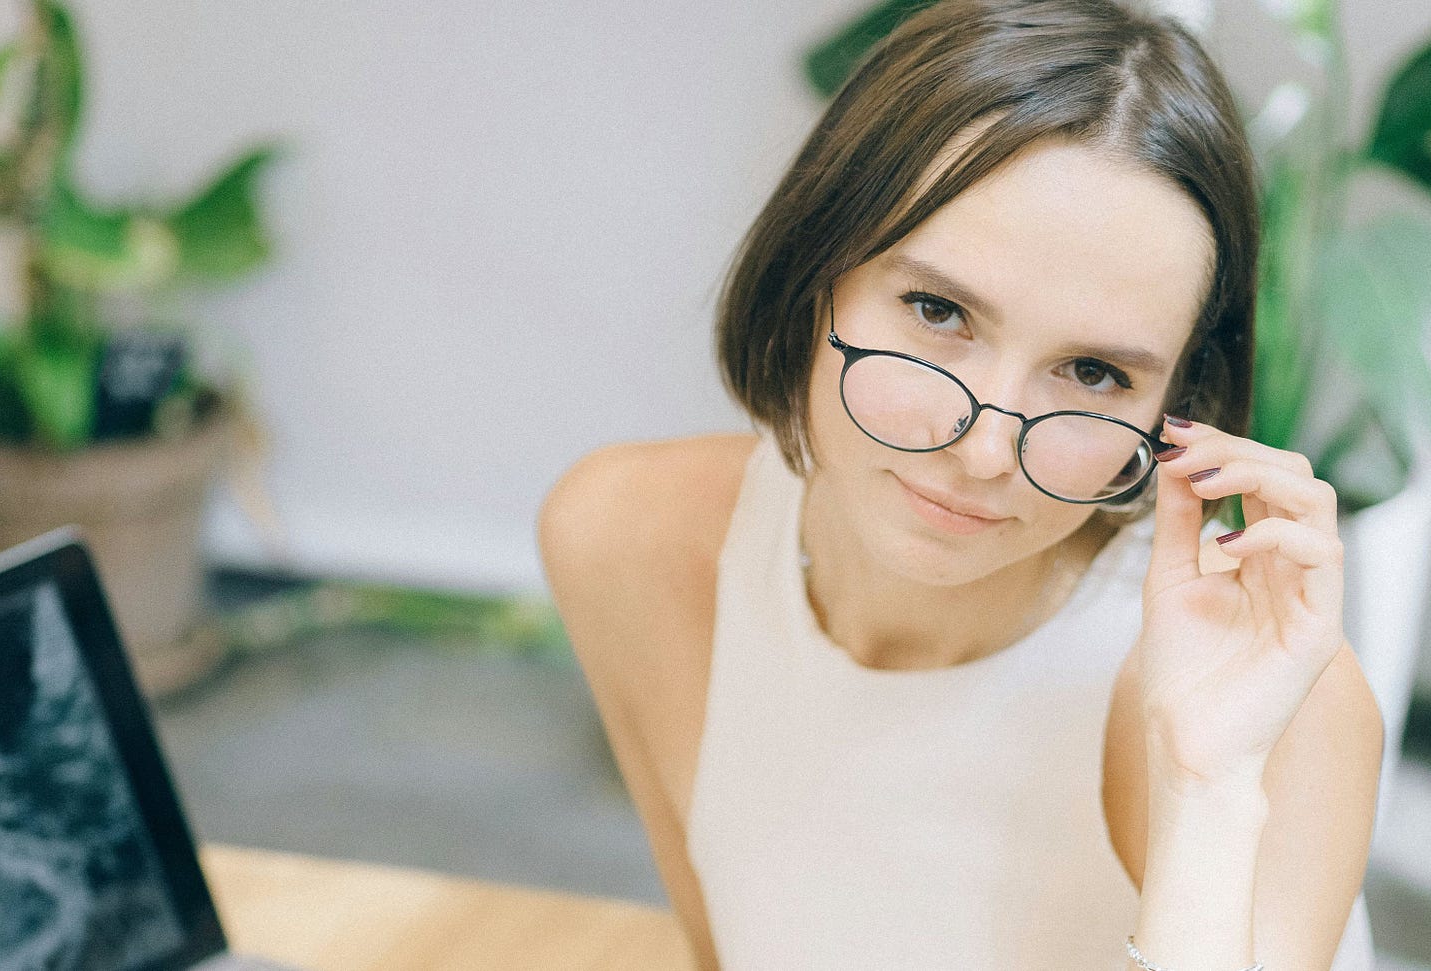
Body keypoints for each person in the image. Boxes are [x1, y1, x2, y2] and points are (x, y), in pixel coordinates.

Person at [537, 1, 1383, 968]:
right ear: (818, 269)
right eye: (937, 310)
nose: (983, 447)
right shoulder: (635, 540)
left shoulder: (1261, 696)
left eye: (1095, 372)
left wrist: (1206, 782)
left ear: (1174, 408)